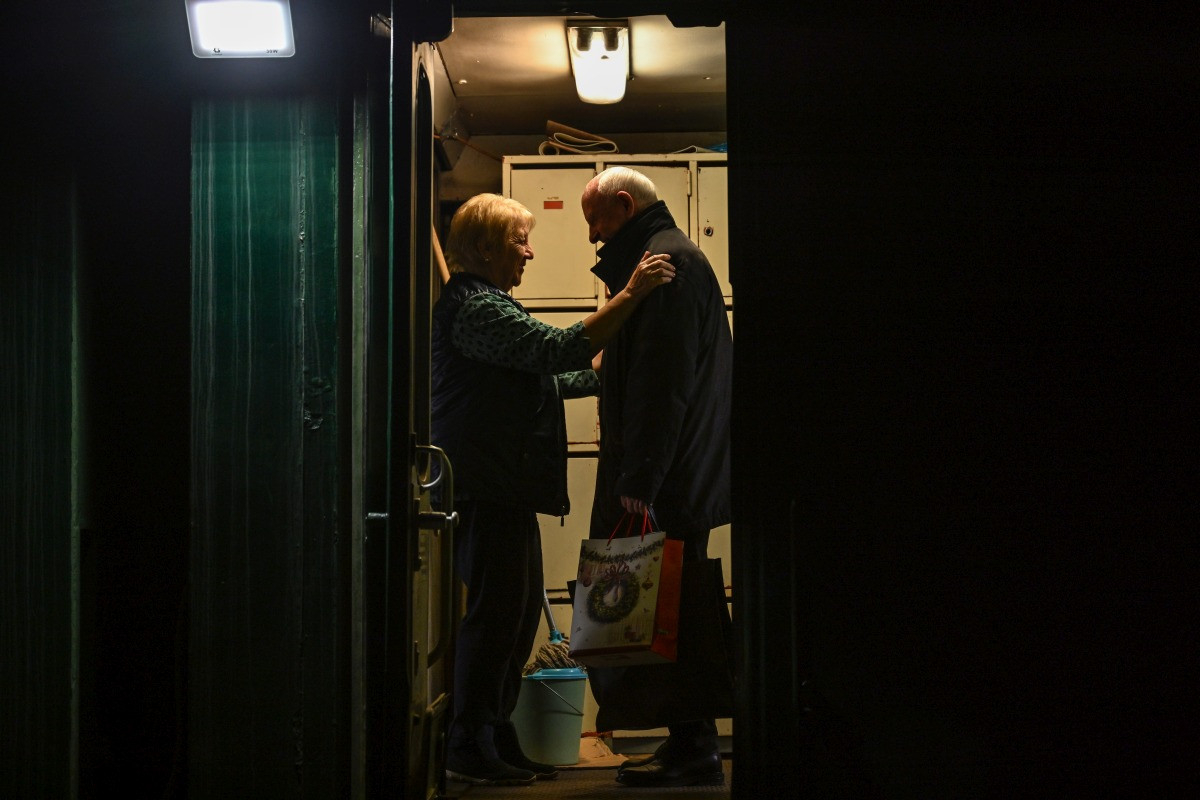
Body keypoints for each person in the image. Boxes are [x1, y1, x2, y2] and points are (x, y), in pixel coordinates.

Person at [432, 193, 674, 787]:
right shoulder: (475, 307)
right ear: (485, 247)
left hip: (506, 486)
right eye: (520, 241)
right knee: (496, 616)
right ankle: (468, 741)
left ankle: (496, 733)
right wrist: (630, 294)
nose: (530, 253)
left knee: (515, 618)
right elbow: (553, 348)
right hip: (486, 486)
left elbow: (552, 375)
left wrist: (606, 372)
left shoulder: (489, 304)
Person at [580, 167, 733, 788]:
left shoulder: (666, 266)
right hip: (677, 473)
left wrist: (640, 476)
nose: (593, 236)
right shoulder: (664, 260)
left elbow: (661, 384)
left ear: (624, 204)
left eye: (596, 220)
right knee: (672, 610)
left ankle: (694, 748)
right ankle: (688, 742)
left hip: (664, 480)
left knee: (672, 613)